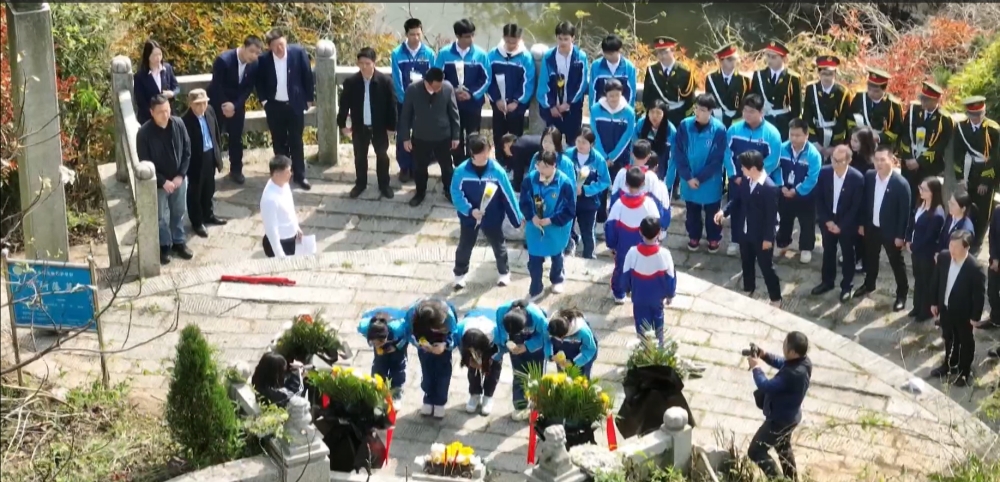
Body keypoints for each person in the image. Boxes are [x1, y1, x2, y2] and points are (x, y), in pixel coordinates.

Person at [450, 134, 523, 289]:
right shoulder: (461, 171)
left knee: (498, 245)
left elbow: (508, 195)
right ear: (472, 153)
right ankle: (459, 274)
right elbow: (455, 193)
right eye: (481, 152)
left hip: (493, 216)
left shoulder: (497, 171)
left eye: (487, 150)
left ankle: (504, 272)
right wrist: (470, 211)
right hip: (469, 217)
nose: (485, 155)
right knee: (465, 245)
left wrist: (517, 218)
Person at [715, 150, 782, 306]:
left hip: (761, 235)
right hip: (745, 231)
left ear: (752, 168)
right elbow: (737, 199)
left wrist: (768, 239)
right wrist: (724, 211)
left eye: (743, 167)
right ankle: (748, 287)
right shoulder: (746, 180)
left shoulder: (769, 188)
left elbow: (771, 217)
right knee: (746, 262)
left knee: (766, 267)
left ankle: (776, 297)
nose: (741, 170)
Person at [746, 332, 813, 481]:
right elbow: (783, 362)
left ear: (793, 352)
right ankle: (792, 479)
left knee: (756, 451)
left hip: (778, 422)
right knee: (783, 448)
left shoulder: (793, 374)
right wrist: (764, 355)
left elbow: (766, 386)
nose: (783, 346)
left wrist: (756, 368)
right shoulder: (804, 362)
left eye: (785, 344)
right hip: (791, 417)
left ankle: (778, 480)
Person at [723, 93, 783, 256]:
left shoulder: (772, 134)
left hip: (760, 184)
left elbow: (773, 160)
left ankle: (760, 242)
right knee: (737, 209)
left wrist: (755, 177)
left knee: (759, 213)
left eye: (752, 111)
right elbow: (727, 154)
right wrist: (734, 175)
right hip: (738, 180)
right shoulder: (734, 129)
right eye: (745, 111)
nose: (747, 114)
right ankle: (736, 240)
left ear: (761, 112)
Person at [137, 94, 192, 265]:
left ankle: (179, 241)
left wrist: (180, 175)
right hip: (159, 183)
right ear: (152, 112)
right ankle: (164, 245)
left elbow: (187, 151)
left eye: (167, 110)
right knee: (160, 216)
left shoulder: (178, 124)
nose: (165, 115)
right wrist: (162, 181)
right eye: (160, 112)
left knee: (179, 210)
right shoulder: (144, 133)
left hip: (179, 180)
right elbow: (144, 161)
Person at [668, 94, 727, 252]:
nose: (698, 113)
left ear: (710, 111)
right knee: (692, 211)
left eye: (702, 110)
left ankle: (714, 238)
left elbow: (717, 159)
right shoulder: (685, 125)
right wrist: (687, 176)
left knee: (712, 211)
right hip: (689, 178)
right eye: (696, 108)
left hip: (710, 180)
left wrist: (700, 178)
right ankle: (694, 236)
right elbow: (678, 152)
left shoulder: (719, 129)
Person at [256, 29, 315, 191]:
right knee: (278, 141)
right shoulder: (264, 60)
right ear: (269, 47)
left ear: (285, 41)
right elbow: (259, 82)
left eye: (281, 44)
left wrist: (309, 98)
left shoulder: (298, 52)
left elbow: (307, 75)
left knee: (296, 140)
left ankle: (300, 175)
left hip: (295, 104)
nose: (279, 49)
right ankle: (282, 176)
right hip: (274, 106)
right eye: (275, 46)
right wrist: (265, 101)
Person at [855, 146, 911, 311]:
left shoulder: (901, 184)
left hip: (891, 232)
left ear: (892, 161)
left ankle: (902, 293)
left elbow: (905, 213)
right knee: (870, 258)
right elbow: (864, 203)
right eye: (876, 159)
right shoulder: (870, 176)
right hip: (872, 227)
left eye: (882, 160)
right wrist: (862, 224)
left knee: (896, 263)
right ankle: (869, 284)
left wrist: (901, 235)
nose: (878, 163)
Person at [338, 47, 397, 199]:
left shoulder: (385, 81)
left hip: (379, 127)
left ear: (374, 63)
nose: (364, 66)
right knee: (360, 156)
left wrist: (392, 126)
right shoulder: (351, 82)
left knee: (382, 155)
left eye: (367, 63)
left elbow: (392, 105)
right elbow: (344, 105)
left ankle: (384, 184)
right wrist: (342, 124)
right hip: (360, 125)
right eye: (361, 63)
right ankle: (360, 183)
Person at [398, 67, 461, 207]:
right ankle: (420, 192)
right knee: (419, 167)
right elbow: (406, 115)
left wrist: (456, 136)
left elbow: (454, 113)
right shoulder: (413, 90)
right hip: (421, 135)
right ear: (427, 82)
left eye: (440, 85)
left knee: (447, 167)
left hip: (443, 136)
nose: (439, 89)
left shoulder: (447, 88)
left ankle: (449, 191)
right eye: (436, 86)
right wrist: (406, 138)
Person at [931, 230, 986, 387]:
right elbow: (936, 280)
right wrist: (934, 303)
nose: (952, 249)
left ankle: (964, 371)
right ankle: (949, 364)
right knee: (948, 338)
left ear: (966, 247)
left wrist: (975, 317)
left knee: (965, 342)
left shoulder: (975, 268)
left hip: (963, 313)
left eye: (956, 247)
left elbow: (979, 295)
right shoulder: (944, 257)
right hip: (945, 308)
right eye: (950, 245)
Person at [520, 151, 576, 300]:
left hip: (556, 227)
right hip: (535, 226)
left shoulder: (564, 183)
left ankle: (557, 278)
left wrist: (552, 220)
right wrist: (532, 216)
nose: (541, 170)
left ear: (554, 166)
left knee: (557, 255)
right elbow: (524, 202)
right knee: (534, 258)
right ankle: (536, 287)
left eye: (545, 166)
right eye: (539, 165)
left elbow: (570, 209)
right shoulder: (530, 180)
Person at [812, 145, 865, 301]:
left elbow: (856, 207)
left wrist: (841, 226)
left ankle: (847, 286)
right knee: (828, 251)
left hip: (847, 223)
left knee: (848, 254)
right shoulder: (824, 173)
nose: (835, 163)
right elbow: (819, 199)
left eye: (839, 161)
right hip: (828, 219)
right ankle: (827, 282)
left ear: (848, 161)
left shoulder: (857, 178)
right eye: (833, 159)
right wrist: (827, 220)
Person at [208, 35, 263, 185]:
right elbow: (216, 85)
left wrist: (235, 105)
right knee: (214, 137)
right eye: (251, 51)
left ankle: (236, 170)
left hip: (237, 105)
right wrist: (225, 104)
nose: (254, 56)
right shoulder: (224, 60)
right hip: (218, 103)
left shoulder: (254, 64)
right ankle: (210, 170)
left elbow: (248, 88)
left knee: (236, 138)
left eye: (257, 53)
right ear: (243, 47)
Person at [436, 19, 490, 168]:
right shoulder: (444, 54)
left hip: (473, 104)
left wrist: (471, 94)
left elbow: (486, 79)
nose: (470, 39)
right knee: (455, 136)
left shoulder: (480, 55)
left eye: (472, 35)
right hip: (452, 104)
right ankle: (459, 166)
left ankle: (473, 163)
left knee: (473, 136)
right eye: (466, 36)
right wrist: (452, 91)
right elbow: (438, 77)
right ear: (458, 36)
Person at [607, 167, 664, 304]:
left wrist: (611, 245)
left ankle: (619, 294)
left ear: (626, 183)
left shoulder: (618, 205)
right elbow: (657, 223)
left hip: (623, 245)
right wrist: (657, 240)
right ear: (643, 184)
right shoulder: (649, 204)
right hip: (643, 244)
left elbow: (610, 227)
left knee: (621, 268)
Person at [390, 18, 436, 182]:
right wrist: (406, 100)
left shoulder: (429, 53)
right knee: (403, 134)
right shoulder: (397, 54)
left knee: (422, 134)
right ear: (406, 34)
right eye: (412, 34)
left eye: (418, 34)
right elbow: (397, 80)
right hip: (404, 102)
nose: (415, 38)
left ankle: (418, 166)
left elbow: (433, 77)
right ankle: (404, 167)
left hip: (424, 102)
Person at [953, 96, 1000, 253]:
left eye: (979, 114)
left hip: (986, 172)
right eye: (973, 114)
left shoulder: (993, 129)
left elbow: (996, 157)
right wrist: (961, 178)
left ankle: (977, 242)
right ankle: (964, 238)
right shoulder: (961, 127)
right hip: (969, 170)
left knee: (983, 210)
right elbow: (958, 153)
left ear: (984, 112)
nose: (976, 118)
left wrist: (986, 181)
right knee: (966, 207)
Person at [620, 216, 676, 344]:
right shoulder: (665, 254)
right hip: (657, 300)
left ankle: (644, 349)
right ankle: (659, 347)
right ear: (659, 233)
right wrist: (670, 295)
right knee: (658, 325)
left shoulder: (632, 253)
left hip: (639, 298)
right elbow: (671, 278)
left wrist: (627, 290)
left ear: (640, 232)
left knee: (642, 326)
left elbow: (625, 276)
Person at [487, 24, 536, 168]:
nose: (510, 45)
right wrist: (496, 99)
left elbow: (528, 82)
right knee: (499, 133)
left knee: (515, 135)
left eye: (514, 42)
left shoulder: (525, 57)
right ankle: (500, 161)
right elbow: (488, 79)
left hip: (516, 106)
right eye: (508, 41)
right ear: (503, 38)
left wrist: (516, 101)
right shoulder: (493, 55)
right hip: (498, 104)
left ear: (520, 39)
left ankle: (515, 163)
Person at [775, 118, 822, 264]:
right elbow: (775, 169)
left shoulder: (813, 154)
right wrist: (781, 185)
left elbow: (813, 177)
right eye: (791, 134)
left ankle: (806, 248)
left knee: (807, 222)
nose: (794, 138)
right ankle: (782, 243)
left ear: (806, 135)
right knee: (784, 219)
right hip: (785, 191)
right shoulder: (782, 148)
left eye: (798, 135)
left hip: (805, 195)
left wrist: (797, 190)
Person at [900, 82, 954, 206]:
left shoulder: (944, 120)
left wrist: (919, 161)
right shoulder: (913, 110)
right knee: (906, 196)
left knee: (924, 199)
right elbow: (905, 134)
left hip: (928, 166)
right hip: (909, 162)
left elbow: (940, 146)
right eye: (922, 98)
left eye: (927, 100)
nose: (923, 102)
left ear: (936, 100)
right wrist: (908, 157)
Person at [180, 89, 225, 239]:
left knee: (209, 187)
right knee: (195, 192)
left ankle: (208, 214)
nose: (202, 107)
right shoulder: (185, 121)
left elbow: (216, 132)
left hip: (209, 154)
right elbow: (184, 146)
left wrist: (217, 155)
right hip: (195, 160)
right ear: (191, 104)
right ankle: (197, 221)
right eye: (198, 104)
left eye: (205, 103)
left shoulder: (210, 111)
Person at [496, 300, 551, 421]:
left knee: (538, 377)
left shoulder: (538, 318)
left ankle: (539, 406)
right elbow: (500, 329)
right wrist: (506, 341)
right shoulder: (501, 311)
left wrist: (527, 346)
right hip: (515, 346)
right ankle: (520, 406)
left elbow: (545, 337)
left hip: (536, 348)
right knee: (519, 375)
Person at [405, 298, 459, 418]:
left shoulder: (447, 313)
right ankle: (428, 399)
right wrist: (419, 344)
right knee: (427, 372)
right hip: (423, 342)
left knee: (443, 374)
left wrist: (445, 345)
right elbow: (408, 332)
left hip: (442, 345)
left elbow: (455, 333)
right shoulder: (412, 313)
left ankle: (440, 402)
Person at [591, 79, 637, 222]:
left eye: (617, 95)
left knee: (619, 185)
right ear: (605, 95)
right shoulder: (596, 109)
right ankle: (600, 216)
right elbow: (594, 133)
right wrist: (603, 156)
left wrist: (612, 156)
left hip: (620, 156)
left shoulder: (628, 112)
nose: (614, 98)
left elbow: (627, 136)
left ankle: (617, 215)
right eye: (611, 95)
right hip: (601, 155)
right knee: (601, 184)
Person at [537, 21, 589, 145]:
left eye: (566, 39)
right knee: (553, 142)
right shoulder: (549, 57)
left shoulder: (580, 57)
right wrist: (551, 106)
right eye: (560, 38)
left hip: (572, 108)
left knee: (573, 141)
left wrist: (568, 103)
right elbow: (543, 83)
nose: (562, 42)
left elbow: (582, 83)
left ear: (573, 38)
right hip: (553, 109)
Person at [564, 126, 611, 259]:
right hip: (570, 200)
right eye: (578, 141)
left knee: (588, 231)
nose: (580, 145)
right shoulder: (568, 155)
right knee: (567, 227)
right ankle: (568, 248)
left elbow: (605, 181)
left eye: (584, 142)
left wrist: (586, 190)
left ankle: (589, 254)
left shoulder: (598, 159)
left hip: (589, 203)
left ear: (592, 144)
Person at [906, 177, 946, 322]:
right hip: (916, 250)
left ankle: (925, 311)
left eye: (924, 189)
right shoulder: (920, 204)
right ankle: (917, 307)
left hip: (926, 253)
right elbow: (912, 223)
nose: (920, 191)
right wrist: (908, 239)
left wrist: (913, 246)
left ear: (933, 193)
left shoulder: (937, 214)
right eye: (920, 188)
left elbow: (929, 237)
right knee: (918, 279)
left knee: (926, 281)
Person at [749, 40, 801, 141]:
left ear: (784, 59)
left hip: (784, 124)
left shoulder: (793, 78)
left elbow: (796, 108)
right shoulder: (759, 75)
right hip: (764, 121)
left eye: (773, 57)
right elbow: (753, 100)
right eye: (768, 56)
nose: (769, 60)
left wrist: (792, 127)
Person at [457, 307, 503, 416]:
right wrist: (470, 361)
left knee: (492, 371)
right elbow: (460, 347)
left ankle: (488, 396)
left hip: (491, 344)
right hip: (473, 320)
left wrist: (488, 361)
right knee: (472, 371)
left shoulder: (496, 332)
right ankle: (475, 394)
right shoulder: (460, 330)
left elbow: (501, 350)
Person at [802, 56, 852, 157]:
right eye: (824, 73)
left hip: (835, 138)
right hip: (816, 136)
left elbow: (843, 119)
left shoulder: (843, 92)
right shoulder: (811, 89)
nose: (827, 77)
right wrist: (814, 140)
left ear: (835, 74)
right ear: (819, 73)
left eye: (830, 74)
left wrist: (834, 145)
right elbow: (807, 115)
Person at [357, 308, 409, 404]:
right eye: (373, 343)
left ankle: (396, 393)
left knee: (397, 368)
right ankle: (377, 389)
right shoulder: (364, 327)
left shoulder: (398, 329)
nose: (377, 345)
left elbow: (407, 337)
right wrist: (377, 345)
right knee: (379, 365)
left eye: (380, 342)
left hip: (397, 344)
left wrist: (396, 347)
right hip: (380, 345)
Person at [642, 36, 695, 131]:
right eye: (658, 52)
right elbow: (647, 96)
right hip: (657, 115)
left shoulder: (685, 71)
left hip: (677, 114)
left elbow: (689, 98)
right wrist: (652, 113)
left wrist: (682, 114)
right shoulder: (652, 70)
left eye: (664, 52)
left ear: (673, 51)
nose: (661, 55)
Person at [610, 141, 670, 221]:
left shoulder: (622, 173)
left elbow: (614, 196)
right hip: (643, 221)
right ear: (648, 157)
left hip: (624, 219)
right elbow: (657, 202)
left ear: (632, 154)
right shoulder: (651, 177)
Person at [846, 68, 903, 150]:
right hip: (860, 144)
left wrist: (879, 137)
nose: (871, 93)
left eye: (876, 91)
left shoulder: (893, 105)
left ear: (884, 89)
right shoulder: (860, 98)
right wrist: (857, 133)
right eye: (869, 89)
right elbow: (850, 120)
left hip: (881, 147)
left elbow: (896, 131)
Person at [259, 155, 302, 258]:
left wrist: (296, 227)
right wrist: (280, 255)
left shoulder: (284, 184)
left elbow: (290, 208)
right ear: (277, 174)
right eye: (288, 172)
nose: (291, 174)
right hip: (282, 243)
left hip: (291, 238)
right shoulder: (270, 199)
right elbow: (271, 230)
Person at [849, 126, 878, 273]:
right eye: (852, 140)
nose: (852, 143)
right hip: (852, 200)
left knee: (862, 235)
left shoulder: (870, 163)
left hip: (864, 204)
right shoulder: (854, 156)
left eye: (856, 141)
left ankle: (863, 260)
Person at [704, 43, 750, 129]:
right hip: (717, 121)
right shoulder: (711, 79)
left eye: (734, 59)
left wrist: (737, 115)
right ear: (721, 61)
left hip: (736, 122)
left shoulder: (744, 80)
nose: (733, 62)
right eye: (729, 59)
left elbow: (746, 103)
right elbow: (709, 101)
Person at [134, 39, 180, 125]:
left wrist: (172, 93)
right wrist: (155, 115)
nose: (158, 58)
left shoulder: (167, 68)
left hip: (168, 115)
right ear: (148, 56)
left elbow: (176, 87)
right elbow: (141, 102)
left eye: (160, 54)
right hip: (149, 119)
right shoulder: (140, 76)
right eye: (154, 55)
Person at [547, 308, 598, 379]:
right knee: (563, 379)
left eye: (563, 337)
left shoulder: (583, 332)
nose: (561, 340)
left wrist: (573, 363)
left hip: (581, 359)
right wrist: (551, 355)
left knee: (580, 380)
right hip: (562, 359)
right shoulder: (552, 327)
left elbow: (589, 349)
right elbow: (547, 341)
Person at [589, 34, 637, 107]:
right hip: (601, 109)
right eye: (606, 54)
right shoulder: (596, 66)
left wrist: (628, 110)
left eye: (611, 54)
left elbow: (631, 93)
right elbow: (592, 92)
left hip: (622, 110)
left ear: (619, 51)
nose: (608, 56)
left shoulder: (629, 67)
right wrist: (593, 110)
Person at [634, 100, 676, 180]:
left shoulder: (671, 131)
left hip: (661, 170)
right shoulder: (641, 124)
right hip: (641, 169)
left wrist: (668, 182)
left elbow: (673, 159)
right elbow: (634, 148)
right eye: (652, 112)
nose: (654, 116)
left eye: (658, 113)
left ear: (664, 114)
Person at [986, 204, 1000, 330]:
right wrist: (995, 257)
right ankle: (995, 318)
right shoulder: (997, 211)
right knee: (992, 291)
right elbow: (992, 236)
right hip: (995, 261)